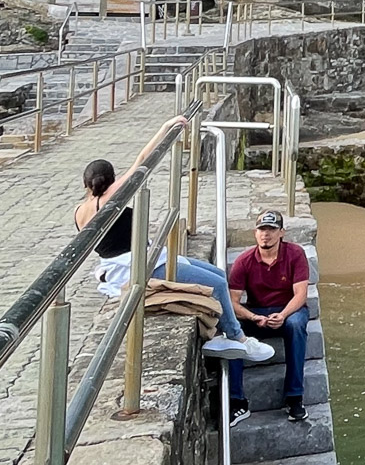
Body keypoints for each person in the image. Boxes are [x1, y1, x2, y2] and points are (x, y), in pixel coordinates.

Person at [73, 146, 273, 365]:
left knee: (216, 273)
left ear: (86, 183)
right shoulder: (111, 199)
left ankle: (217, 334)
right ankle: (238, 337)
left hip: (133, 262)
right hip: (137, 266)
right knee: (216, 283)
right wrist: (166, 128)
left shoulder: (79, 211)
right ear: (111, 180)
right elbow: (141, 160)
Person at [227, 210, 312, 424]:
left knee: (295, 325)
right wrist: (254, 317)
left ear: (281, 232)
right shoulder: (244, 261)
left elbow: (301, 294)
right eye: (262, 229)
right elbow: (232, 302)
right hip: (257, 312)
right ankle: (237, 401)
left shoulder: (295, 254)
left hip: (288, 309)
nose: (266, 234)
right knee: (231, 327)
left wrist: (282, 315)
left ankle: (294, 397)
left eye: (272, 229)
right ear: (255, 233)